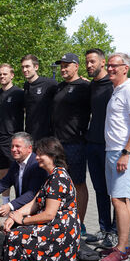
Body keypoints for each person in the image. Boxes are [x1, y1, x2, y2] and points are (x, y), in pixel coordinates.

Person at [1, 137, 80, 261]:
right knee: (12, 229)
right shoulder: (51, 176)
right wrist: (14, 216)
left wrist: (23, 220)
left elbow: (49, 214)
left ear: (52, 155)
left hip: (60, 230)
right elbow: (34, 203)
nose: (36, 158)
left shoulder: (58, 178)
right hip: (53, 224)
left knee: (15, 235)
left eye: (40, 154)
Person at [101, 53, 130, 261]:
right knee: (120, 199)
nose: (110, 69)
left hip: (123, 152)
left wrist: (126, 153)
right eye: (108, 66)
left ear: (125, 68)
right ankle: (123, 245)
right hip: (114, 151)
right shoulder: (117, 90)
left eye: (114, 66)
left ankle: (123, 249)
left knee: (119, 200)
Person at [52, 53, 90, 234]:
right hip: (58, 144)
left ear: (76, 66)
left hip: (76, 143)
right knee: (60, 184)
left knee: (79, 184)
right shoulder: (59, 87)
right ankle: (62, 220)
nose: (63, 69)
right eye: (61, 66)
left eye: (67, 65)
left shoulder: (85, 87)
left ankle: (80, 224)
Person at [84, 48, 117, 249]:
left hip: (111, 146)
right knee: (99, 190)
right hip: (92, 144)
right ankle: (104, 228)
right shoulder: (90, 87)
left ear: (103, 62)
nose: (89, 65)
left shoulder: (114, 85)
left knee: (115, 192)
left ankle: (115, 232)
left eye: (93, 61)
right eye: (87, 62)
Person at [0, 132, 46, 229]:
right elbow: (3, 183)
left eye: (18, 146)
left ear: (29, 148)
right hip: (21, 210)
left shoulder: (37, 165)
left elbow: (32, 194)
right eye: (12, 146)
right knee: (2, 225)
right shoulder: (16, 164)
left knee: (4, 225)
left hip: (36, 211)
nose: (14, 149)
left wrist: (9, 206)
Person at [0, 64, 24, 204]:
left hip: (14, 139)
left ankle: (19, 202)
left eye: (5, 74)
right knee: (2, 172)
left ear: (12, 75)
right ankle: (5, 201)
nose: (2, 77)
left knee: (17, 172)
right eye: (0, 74)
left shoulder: (19, 93)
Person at [21, 54, 58, 141]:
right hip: (29, 135)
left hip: (46, 137)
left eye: (27, 66)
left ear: (36, 67)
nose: (24, 70)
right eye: (22, 67)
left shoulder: (50, 84)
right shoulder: (26, 85)